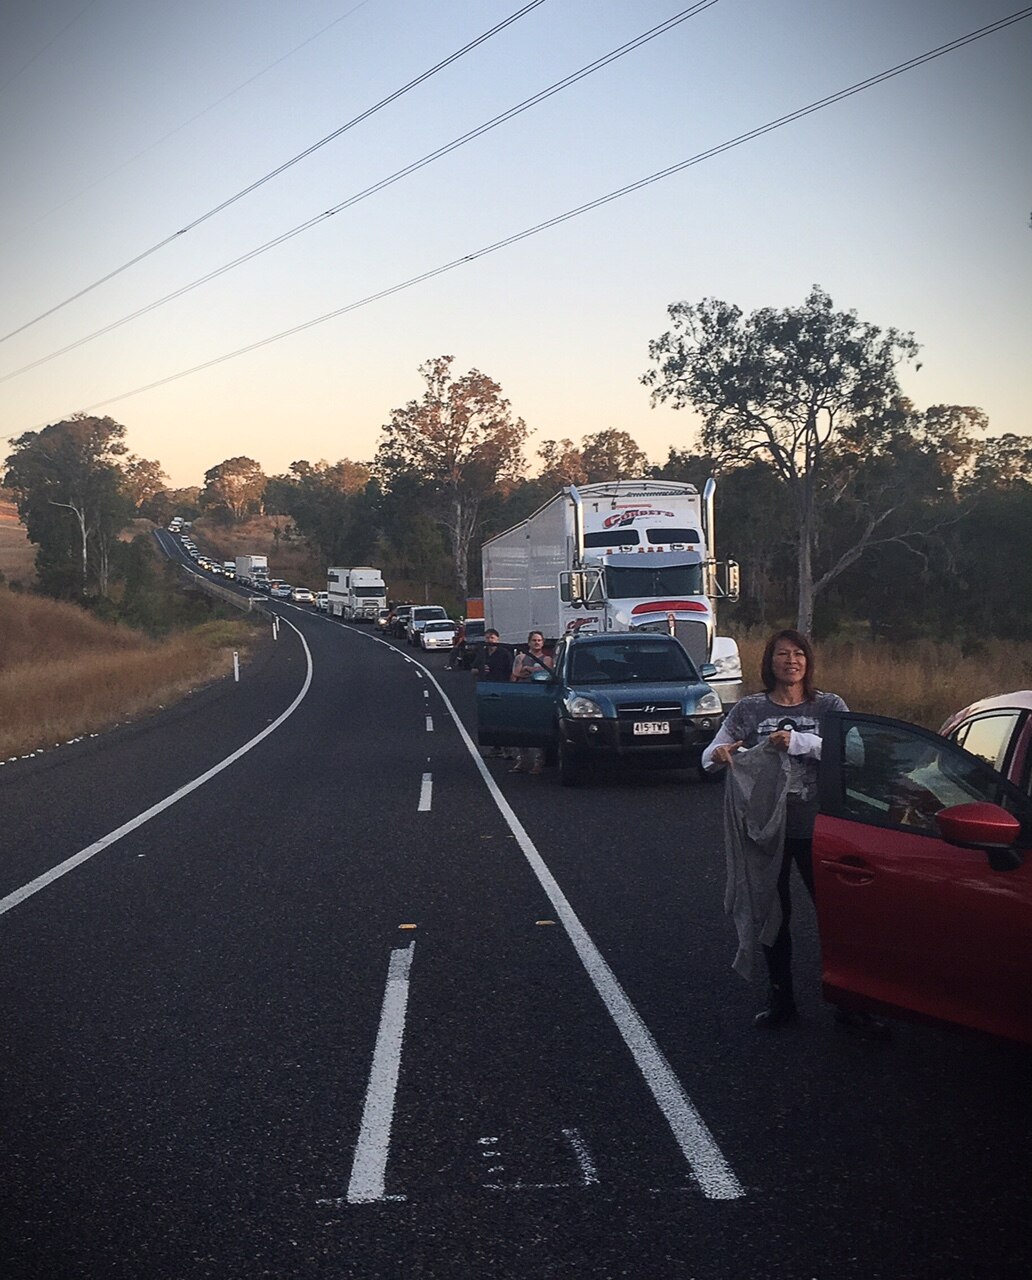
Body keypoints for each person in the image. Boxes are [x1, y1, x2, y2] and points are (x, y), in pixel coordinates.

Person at [701, 628, 885, 1037]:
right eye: (782, 654)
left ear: (808, 661)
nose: (791, 661)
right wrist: (721, 753)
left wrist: (798, 741)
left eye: (798, 653)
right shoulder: (749, 710)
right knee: (773, 914)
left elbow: (853, 755)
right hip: (767, 831)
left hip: (821, 828)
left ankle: (851, 1002)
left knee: (836, 916)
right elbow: (708, 760)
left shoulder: (830, 706)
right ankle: (780, 998)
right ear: (769, 662)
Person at [509, 631, 554, 775]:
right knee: (520, 729)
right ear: (529, 642)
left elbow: (546, 670)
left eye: (539, 640)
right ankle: (522, 760)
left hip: (539, 696)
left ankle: (538, 762)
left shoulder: (547, 658)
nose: (537, 642)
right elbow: (517, 673)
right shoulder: (520, 657)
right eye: (534, 640)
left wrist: (528, 669)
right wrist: (532, 671)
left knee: (538, 730)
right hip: (522, 695)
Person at [475, 629, 515, 757]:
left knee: (503, 718)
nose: (489, 641)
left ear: (497, 639)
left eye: (492, 638)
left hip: (501, 687)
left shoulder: (504, 653)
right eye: (487, 638)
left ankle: (507, 748)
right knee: (490, 718)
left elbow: (511, 671)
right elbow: (473, 669)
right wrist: (480, 670)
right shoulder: (482, 653)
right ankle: (495, 747)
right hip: (486, 688)